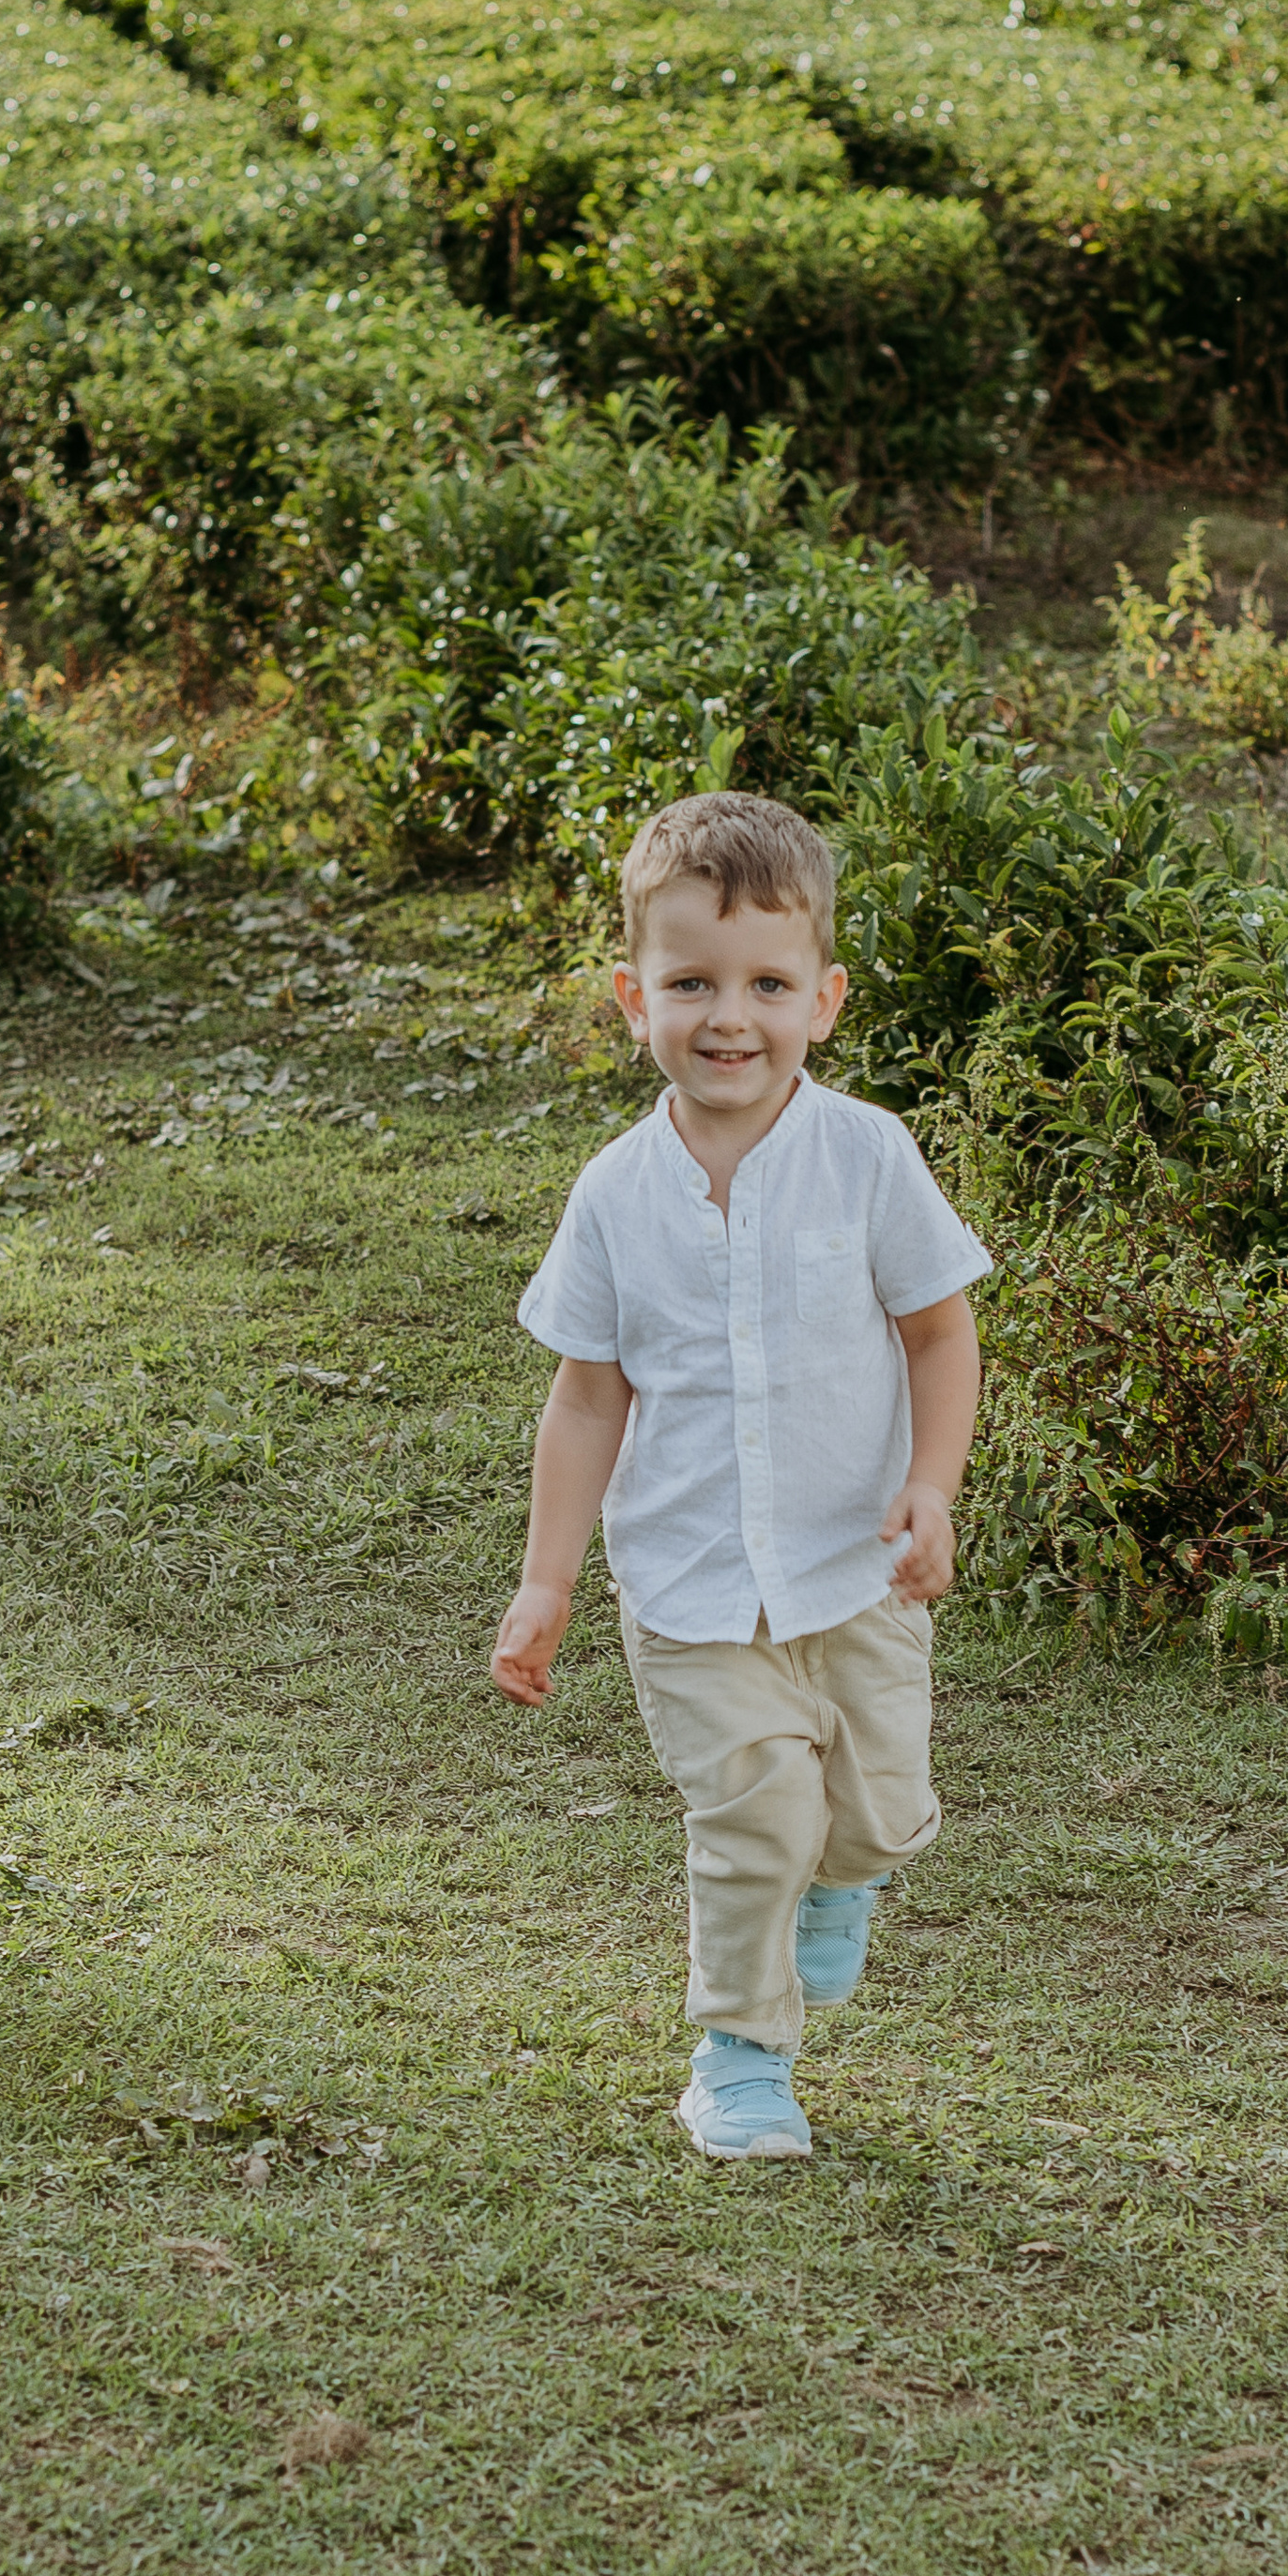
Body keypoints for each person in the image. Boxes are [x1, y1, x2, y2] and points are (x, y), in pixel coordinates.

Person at [491, 792, 988, 2160]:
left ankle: (842, 1880)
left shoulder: (866, 1156)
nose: (730, 1018)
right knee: (757, 1817)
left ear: (823, 1000)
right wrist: (546, 1584)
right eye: (691, 983)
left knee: (877, 1819)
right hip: (694, 1582)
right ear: (632, 997)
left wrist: (933, 1488)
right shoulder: (613, 1194)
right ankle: (741, 2058)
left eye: (767, 985)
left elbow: (939, 1334)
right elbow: (588, 1395)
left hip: (858, 1571)